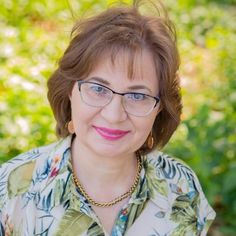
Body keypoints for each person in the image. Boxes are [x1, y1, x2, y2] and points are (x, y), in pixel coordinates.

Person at [0, 0, 216, 235]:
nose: (114, 115)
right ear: (70, 91)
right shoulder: (11, 189)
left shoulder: (182, 187)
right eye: (98, 88)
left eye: (137, 95)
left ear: (160, 108)